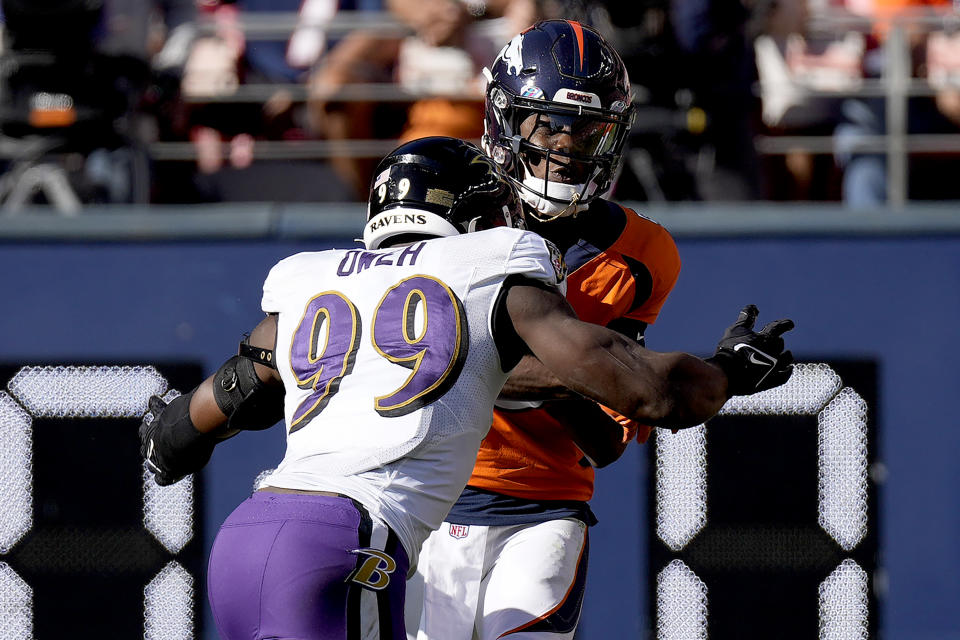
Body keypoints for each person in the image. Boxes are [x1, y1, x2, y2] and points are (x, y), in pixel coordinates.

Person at [139, 136, 794, 640]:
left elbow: (228, 398)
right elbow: (650, 393)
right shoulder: (487, 268)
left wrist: (169, 438)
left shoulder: (313, 278)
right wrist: (729, 372)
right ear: (481, 216)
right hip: (346, 540)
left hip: (245, 539)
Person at [406, 20, 694, 640]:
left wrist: (535, 379)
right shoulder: (444, 205)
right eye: (547, 122)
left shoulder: (644, 254)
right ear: (506, 120)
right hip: (424, 494)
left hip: (545, 504)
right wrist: (551, 372)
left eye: (586, 127)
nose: (566, 144)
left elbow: (608, 438)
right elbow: (410, 353)